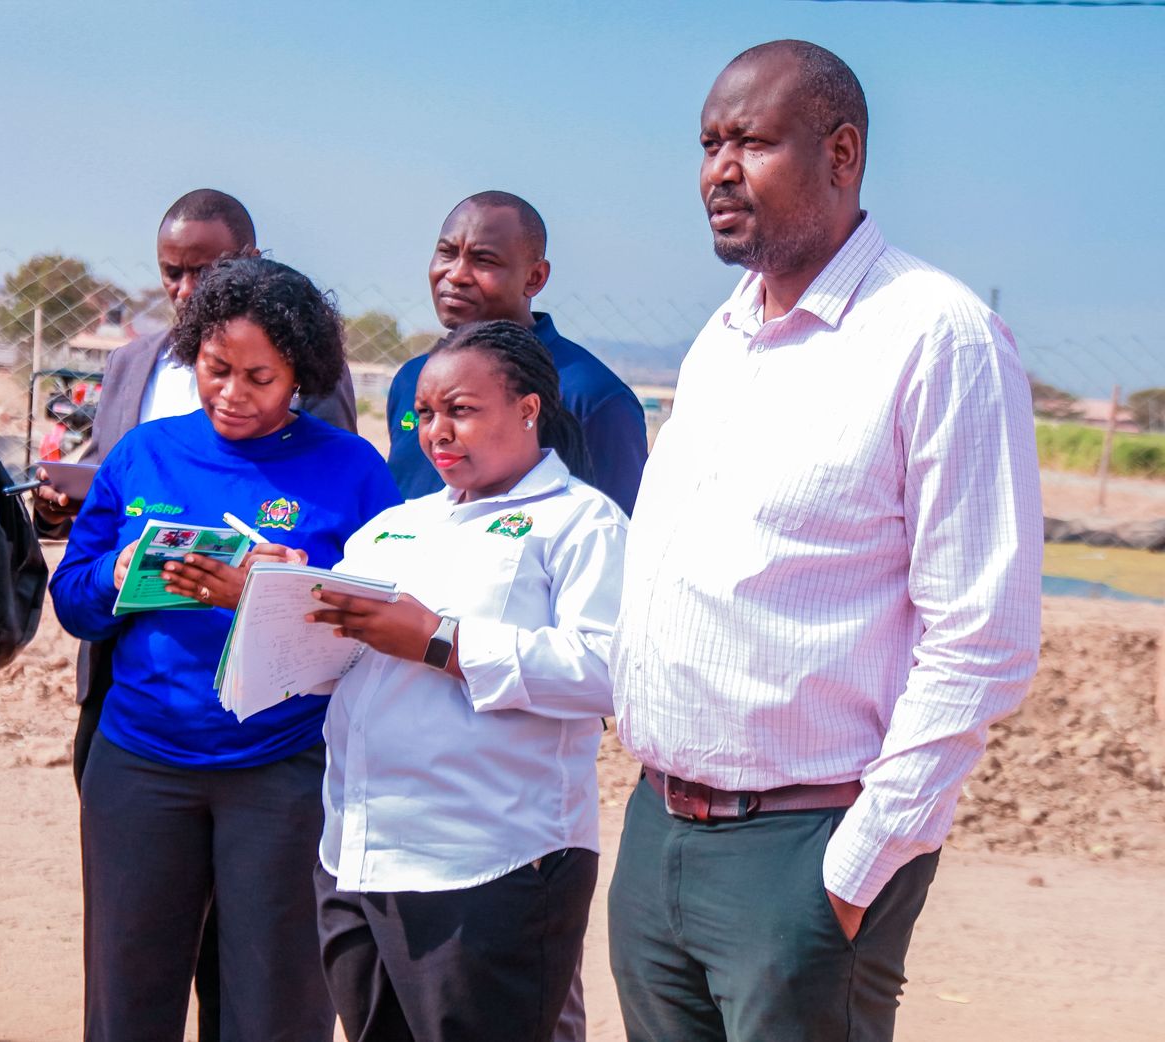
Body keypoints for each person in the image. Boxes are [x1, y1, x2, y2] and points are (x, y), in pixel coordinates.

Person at [607, 39, 1042, 1042]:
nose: (719, 170)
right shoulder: (722, 336)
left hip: (805, 849)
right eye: (708, 144)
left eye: (751, 143)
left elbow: (982, 638)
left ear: (840, 153)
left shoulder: (937, 335)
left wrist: (850, 873)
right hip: (658, 833)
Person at [34, 189, 359, 1042]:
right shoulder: (143, 453)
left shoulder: (351, 470)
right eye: (216, 369)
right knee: (126, 1003)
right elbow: (74, 602)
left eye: (260, 378)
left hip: (283, 770)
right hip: (140, 766)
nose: (233, 394)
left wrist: (283, 589)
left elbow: (376, 623)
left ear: (301, 373)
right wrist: (121, 578)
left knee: (273, 1007)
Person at [312, 320, 626, 1042]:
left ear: (527, 408)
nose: (437, 432)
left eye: (461, 410)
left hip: (490, 863)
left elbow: (609, 671)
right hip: (358, 853)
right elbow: (336, 662)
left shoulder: (581, 523)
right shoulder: (395, 525)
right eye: (424, 414)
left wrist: (441, 641)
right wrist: (278, 597)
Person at [387, 191, 647, 517]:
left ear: (534, 278)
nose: (456, 275)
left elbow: (620, 528)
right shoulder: (412, 379)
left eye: (484, 260)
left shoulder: (592, 395)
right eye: (447, 253)